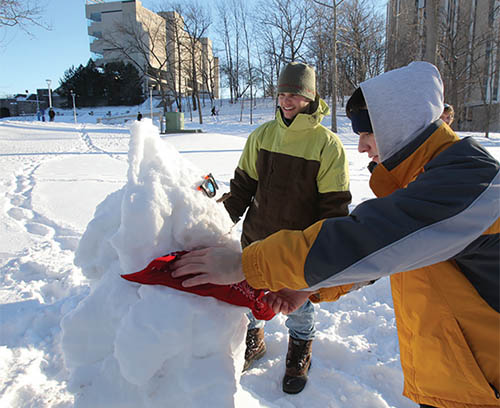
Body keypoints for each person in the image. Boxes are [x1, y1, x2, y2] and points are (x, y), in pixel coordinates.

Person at [172, 61, 500, 408]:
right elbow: (384, 256)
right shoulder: (429, 178)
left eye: (367, 133)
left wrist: (247, 264)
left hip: (484, 387)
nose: (360, 147)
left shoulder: (471, 184)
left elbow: (365, 239)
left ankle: (301, 348)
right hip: (459, 383)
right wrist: (311, 285)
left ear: (397, 127)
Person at [218, 61, 352, 394]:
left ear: (310, 96)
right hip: (257, 242)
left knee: (300, 308)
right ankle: (255, 340)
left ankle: (299, 351)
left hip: (298, 251)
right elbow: (241, 190)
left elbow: (334, 211)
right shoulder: (262, 136)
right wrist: (216, 222)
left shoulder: (328, 145)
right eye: (282, 93)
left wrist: (321, 257)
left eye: (294, 94)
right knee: (250, 299)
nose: (286, 100)